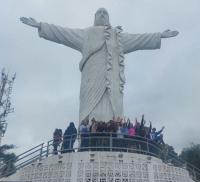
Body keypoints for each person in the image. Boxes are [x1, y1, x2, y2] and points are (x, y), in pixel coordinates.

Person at [20, 8, 179, 124]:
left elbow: (139, 39)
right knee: (90, 115)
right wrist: (41, 26)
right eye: (99, 13)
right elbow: (62, 33)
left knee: (112, 110)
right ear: (94, 17)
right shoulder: (86, 34)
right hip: (91, 81)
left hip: (113, 83)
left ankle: (113, 135)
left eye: (105, 13)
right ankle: (88, 137)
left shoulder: (118, 37)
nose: (102, 15)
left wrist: (159, 36)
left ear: (109, 18)